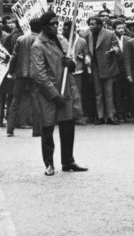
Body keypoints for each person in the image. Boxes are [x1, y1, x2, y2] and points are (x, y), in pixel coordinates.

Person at [30, 11, 88, 176]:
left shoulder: (63, 41)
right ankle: (49, 164)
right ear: (44, 26)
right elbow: (39, 75)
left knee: (68, 127)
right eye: (52, 24)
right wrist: (55, 95)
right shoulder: (38, 45)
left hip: (66, 90)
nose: (56, 27)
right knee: (48, 129)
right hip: (49, 94)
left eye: (57, 24)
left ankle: (68, 161)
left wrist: (71, 64)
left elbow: (72, 61)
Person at [80, 16, 120, 125]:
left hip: (108, 67)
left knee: (109, 93)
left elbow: (117, 46)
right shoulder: (87, 35)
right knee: (98, 94)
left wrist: (113, 51)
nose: (90, 26)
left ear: (99, 25)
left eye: (93, 24)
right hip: (95, 67)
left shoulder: (110, 33)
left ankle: (110, 117)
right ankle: (100, 116)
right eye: (90, 24)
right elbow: (86, 50)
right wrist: (87, 56)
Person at [6, 18, 42, 137]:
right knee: (36, 100)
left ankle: (10, 129)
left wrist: (11, 72)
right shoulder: (41, 40)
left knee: (15, 100)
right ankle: (37, 130)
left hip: (20, 73)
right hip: (35, 74)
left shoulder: (21, 39)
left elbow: (14, 57)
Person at [62, 20, 91, 126]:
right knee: (65, 94)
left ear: (73, 30)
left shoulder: (82, 41)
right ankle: (66, 116)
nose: (64, 31)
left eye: (67, 29)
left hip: (78, 70)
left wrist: (86, 58)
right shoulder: (60, 40)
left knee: (77, 94)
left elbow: (86, 53)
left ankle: (78, 116)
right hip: (65, 70)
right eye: (63, 29)